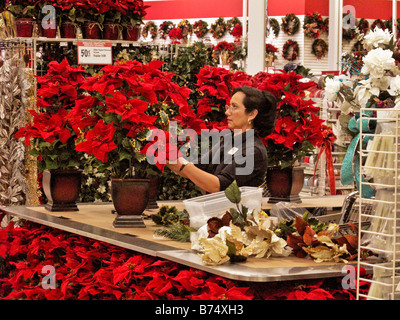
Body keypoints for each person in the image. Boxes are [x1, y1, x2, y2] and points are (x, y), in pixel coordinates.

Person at [167, 86, 277, 193]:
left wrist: (183, 166)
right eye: (228, 107)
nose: (227, 112)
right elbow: (197, 166)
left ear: (252, 114)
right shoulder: (228, 140)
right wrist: (166, 154)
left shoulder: (254, 151)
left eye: (234, 107)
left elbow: (220, 186)